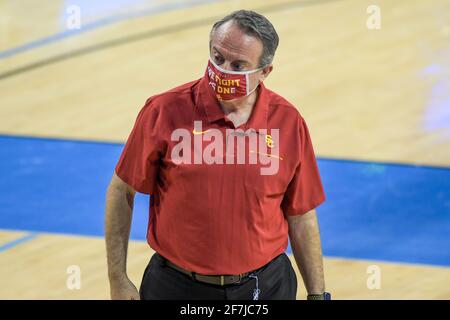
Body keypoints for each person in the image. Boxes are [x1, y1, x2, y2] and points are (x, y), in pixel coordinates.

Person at [105, 9, 330, 300]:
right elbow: (121, 191)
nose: (223, 71)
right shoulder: (163, 111)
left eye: (238, 65)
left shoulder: (288, 122)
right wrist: (117, 278)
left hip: (265, 286)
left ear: (264, 71)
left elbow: (301, 215)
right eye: (218, 57)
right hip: (176, 286)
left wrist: (317, 294)